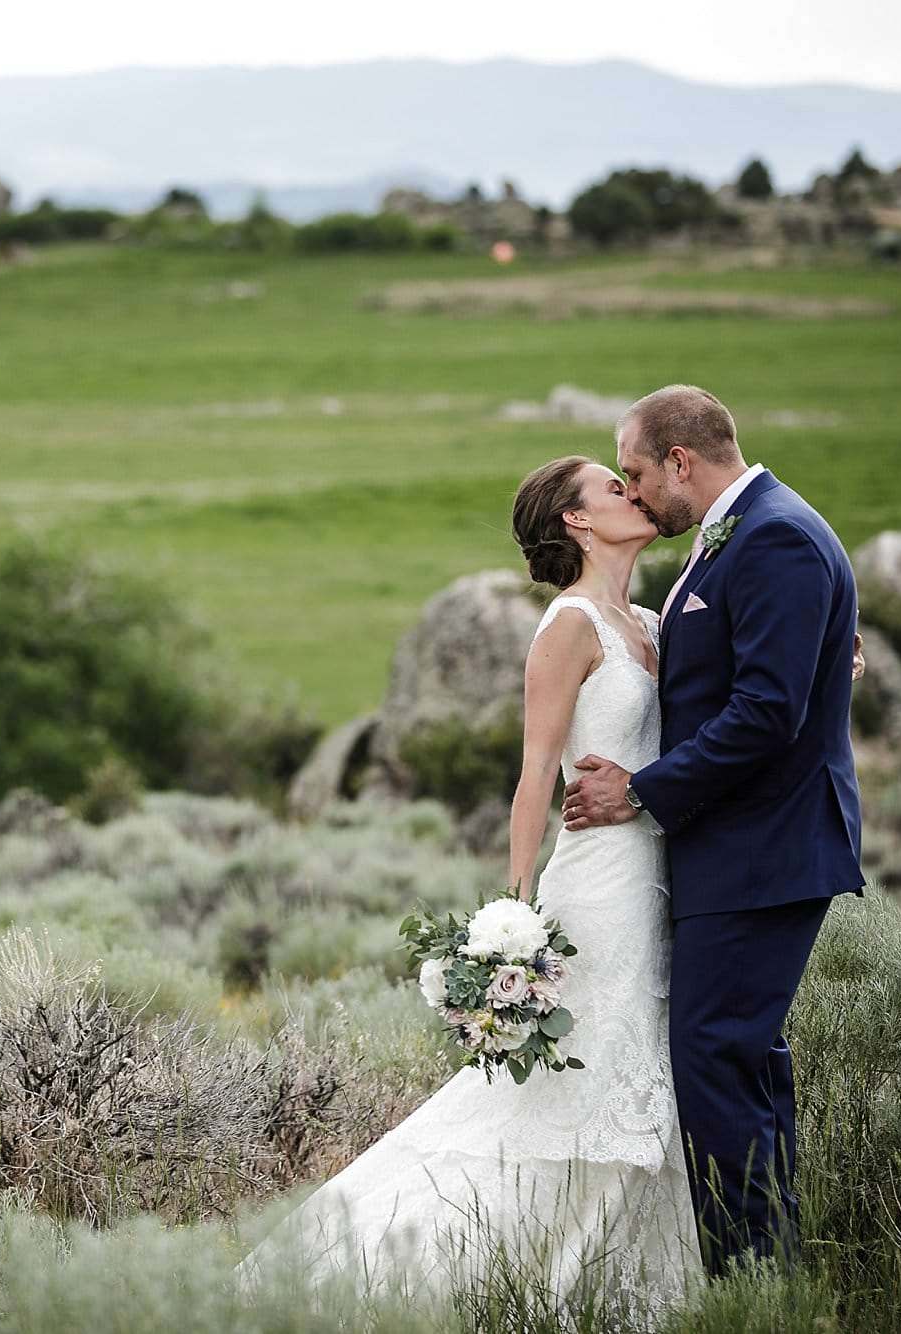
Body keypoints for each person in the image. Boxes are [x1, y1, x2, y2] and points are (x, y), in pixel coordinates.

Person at [238, 451, 701, 1308]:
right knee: (575, 1090)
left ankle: (611, 1291)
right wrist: (515, 919)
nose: (630, 493)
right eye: (611, 486)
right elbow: (533, 778)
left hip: (664, 878)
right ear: (576, 520)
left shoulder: (648, 620)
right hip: (598, 887)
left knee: (638, 1087)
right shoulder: (568, 627)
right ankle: (426, 1278)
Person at [563, 385, 865, 1274]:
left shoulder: (772, 533)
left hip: (762, 851)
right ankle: (772, 1275)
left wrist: (645, 792)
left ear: (682, 463)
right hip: (739, 852)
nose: (635, 491)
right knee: (742, 1065)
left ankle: (746, 1280)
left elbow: (768, 710)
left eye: (638, 473)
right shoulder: (744, 533)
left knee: (713, 1062)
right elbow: (760, 660)